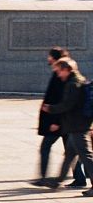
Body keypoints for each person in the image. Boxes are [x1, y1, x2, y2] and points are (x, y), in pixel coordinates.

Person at [40, 57, 93, 195]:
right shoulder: (78, 80)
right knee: (69, 155)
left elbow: (68, 105)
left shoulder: (72, 84)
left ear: (66, 70)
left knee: (86, 157)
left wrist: (50, 109)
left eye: (59, 71)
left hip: (78, 127)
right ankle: (58, 181)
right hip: (76, 125)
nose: (58, 74)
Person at [35, 47, 81, 187]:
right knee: (72, 152)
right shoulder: (60, 75)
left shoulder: (62, 77)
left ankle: (45, 178)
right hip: (63, 121)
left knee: (48, 147)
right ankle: (78, 178)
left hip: (60, 122)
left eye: (50, 56)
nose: (48, 59)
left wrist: (56, 121)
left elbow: (63, 102)